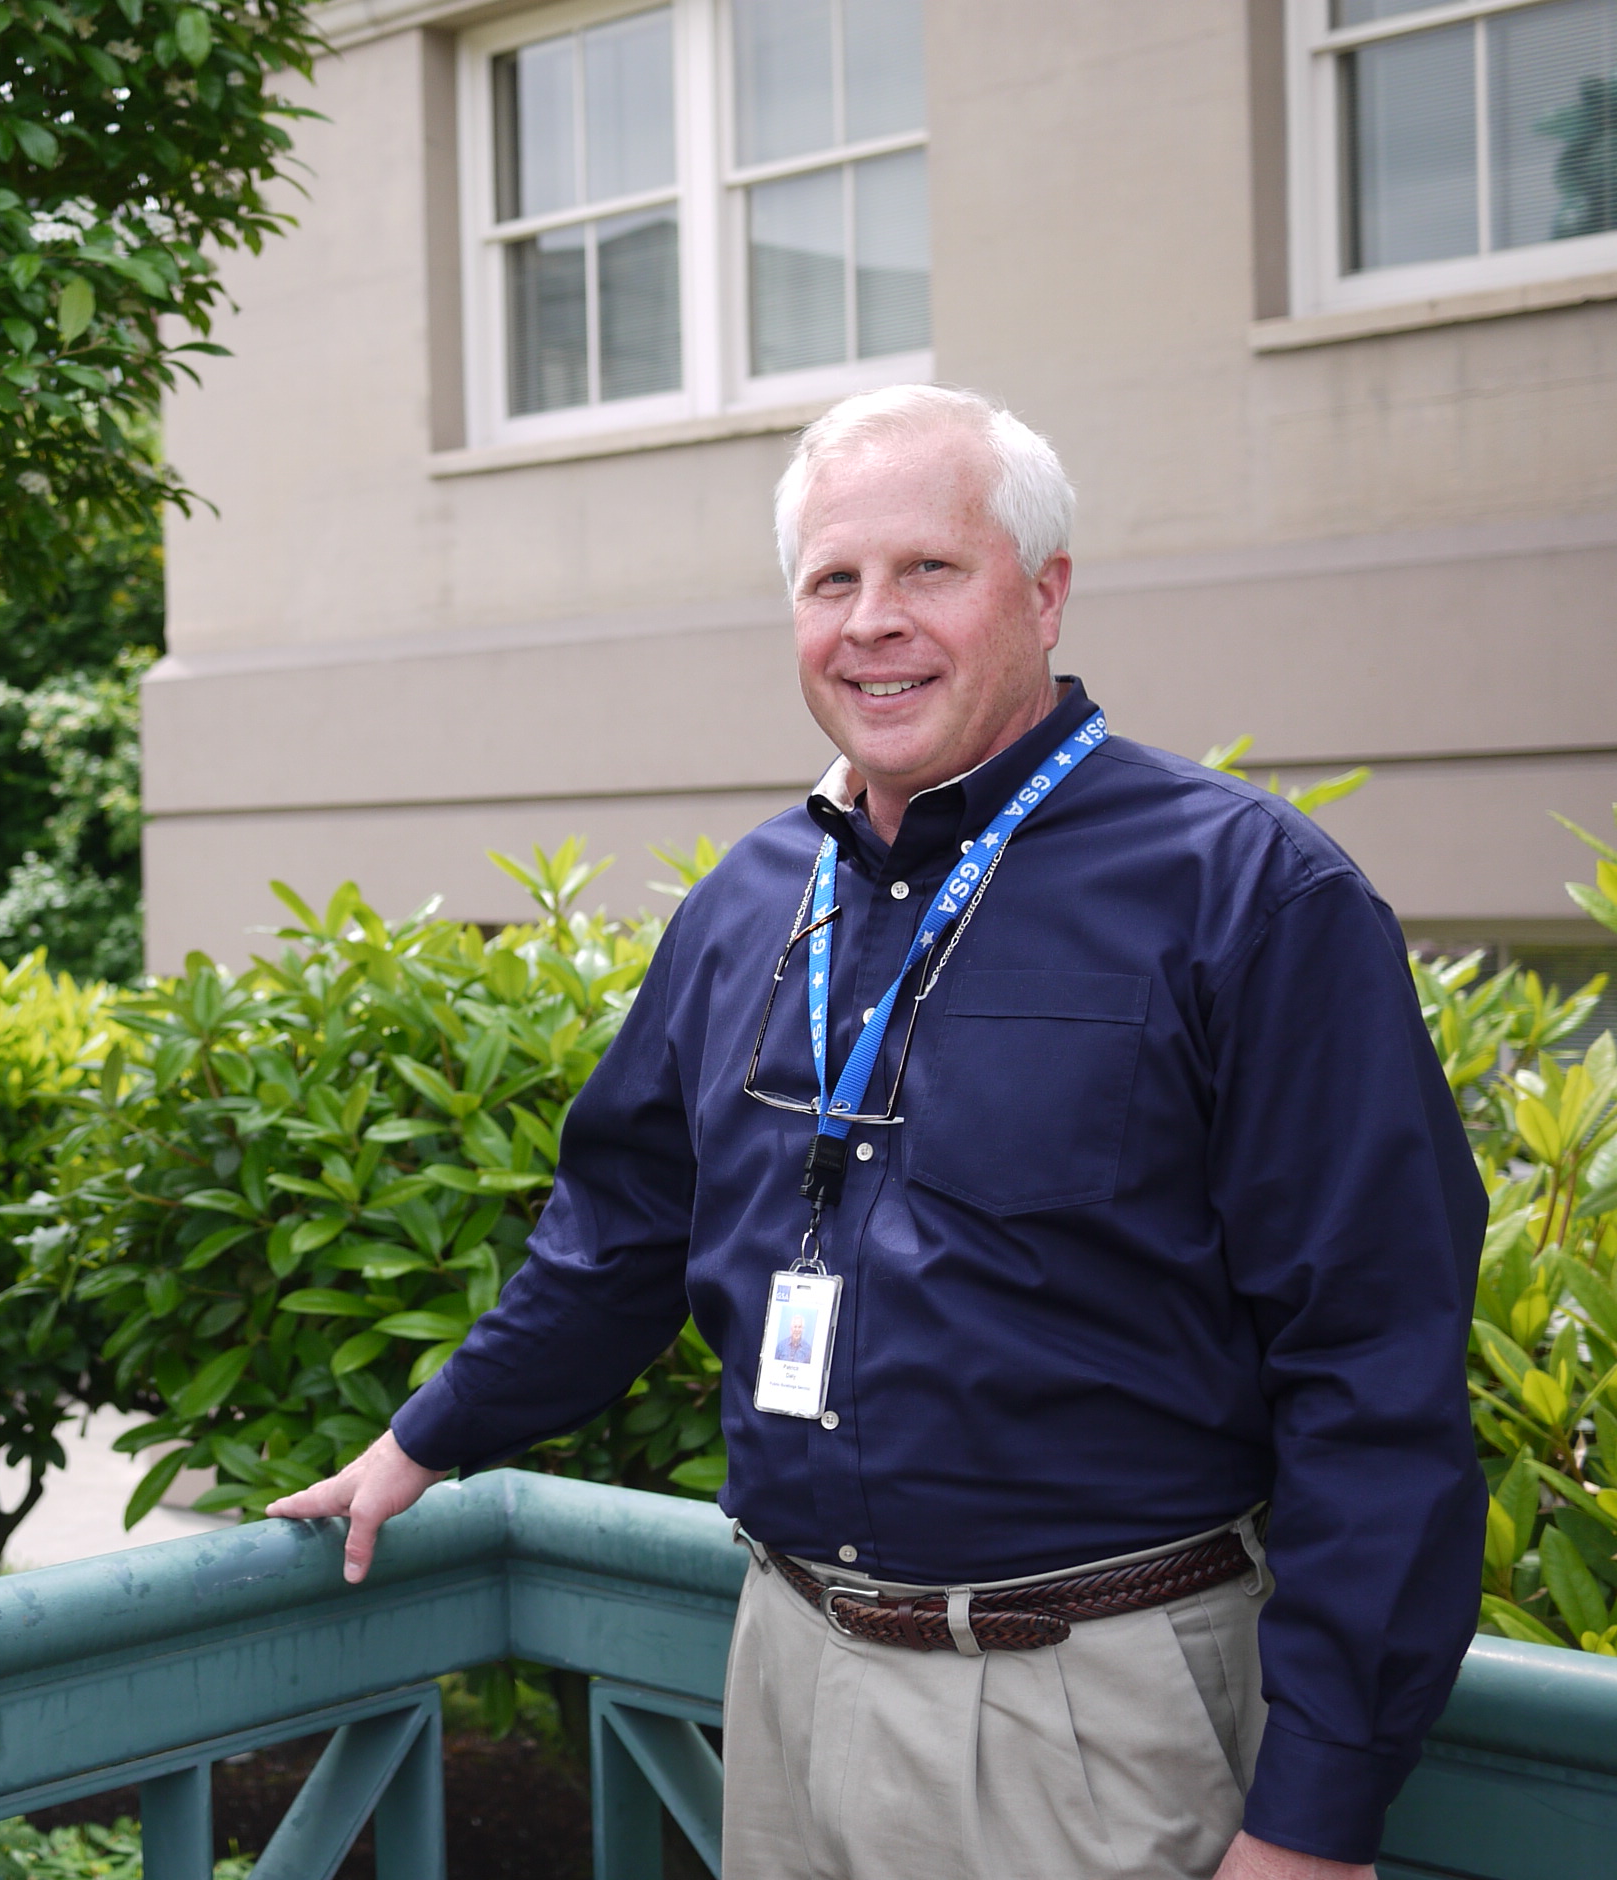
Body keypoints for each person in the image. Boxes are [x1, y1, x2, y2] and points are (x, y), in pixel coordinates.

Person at [268, 385, 1483, 1880]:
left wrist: (1315, 1822)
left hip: (1086, 1713)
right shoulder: (748, 902)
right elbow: (622, 1236)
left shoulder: (1250, 897)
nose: (871, 623)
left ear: (1045, 593)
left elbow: (1373, 1365)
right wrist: (424, 1439)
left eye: (929, 569)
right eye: (831, 579)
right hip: (786, 1673)